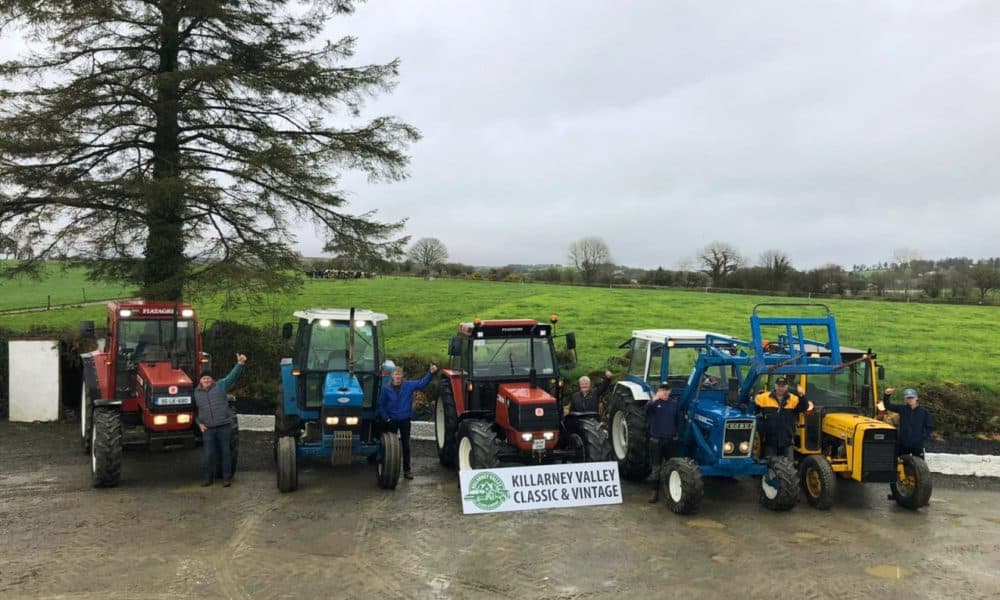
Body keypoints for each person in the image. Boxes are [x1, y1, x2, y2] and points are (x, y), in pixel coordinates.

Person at [194, 353, 247, 487]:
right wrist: (199, 424)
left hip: (224, 426)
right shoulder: (196, 393)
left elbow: (232, 377)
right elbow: (195, 412)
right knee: (208, 454)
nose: (206, 380)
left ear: (212, 379)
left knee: (225, 452)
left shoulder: (220, 386)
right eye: (204, 378)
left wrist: (239, 364)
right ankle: (208, 478)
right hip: (208, 428)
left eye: (208, 378)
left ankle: (226, 478)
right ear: (200, 380)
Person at [378, 362, 438, 480]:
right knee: (390, 447)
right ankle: (389, 470)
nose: (398, 377)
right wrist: (386, 418)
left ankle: (407, 470)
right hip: (392, 421)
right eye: (396, 375)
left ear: (402, 376)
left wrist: (430, 373)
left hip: (405, 420)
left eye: (400, 375)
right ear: (392, 376)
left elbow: (421, 384)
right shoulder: (386, 389)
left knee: (406, 445)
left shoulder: (408, 385)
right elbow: (381, 405)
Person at [753, 376, 812, 459]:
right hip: (770, 441)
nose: (781, 388)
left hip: (787, 441)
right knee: (770, 465)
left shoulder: (793, 399)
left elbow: (804, 407)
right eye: (779, 386)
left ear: (787, 387)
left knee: (789, 466)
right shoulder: (763, 398)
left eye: (783, 386)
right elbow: (752, 409)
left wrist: (802, 395)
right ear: (775, 386)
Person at [645, 384, 681, 503]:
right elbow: (646, 410)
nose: (664, 392)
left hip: (670, 440)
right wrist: (653, 399)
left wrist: (676, 435)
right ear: (659, 391)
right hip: (656, 440)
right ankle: (654, 492)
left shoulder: (674, 404)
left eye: (666, 390)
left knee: (672, 466)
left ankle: (670, 491)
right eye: (662, 390)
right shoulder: (654, 404)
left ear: (670, 391)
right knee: (656, 468)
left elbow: (678, 421)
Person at [880, 387, 934, 459]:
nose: (910, 400)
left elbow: (929, 426)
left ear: (916, 398)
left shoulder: (924, 412)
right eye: (908, 398)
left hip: (917, 444)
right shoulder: (902, 408)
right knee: (900, 464)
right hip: (903, 443)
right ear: (905, 399)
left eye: (912, 397)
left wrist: (923, 437)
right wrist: (886, 395)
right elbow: (888, 406)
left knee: (919, 465)